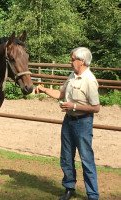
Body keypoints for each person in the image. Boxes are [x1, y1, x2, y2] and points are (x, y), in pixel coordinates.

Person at [35, 47, 100, 200]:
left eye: (72, 59)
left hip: (83, 123)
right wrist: (44, 89)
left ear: (82, 61)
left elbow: (96, 107)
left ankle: (93, 195)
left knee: (86, 158)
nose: (70, 62)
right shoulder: (72, 75)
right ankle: (69, 188)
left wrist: (74, 106)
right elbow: (60, 94)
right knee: (66, 157)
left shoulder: (90, 80)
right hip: (68, 121)